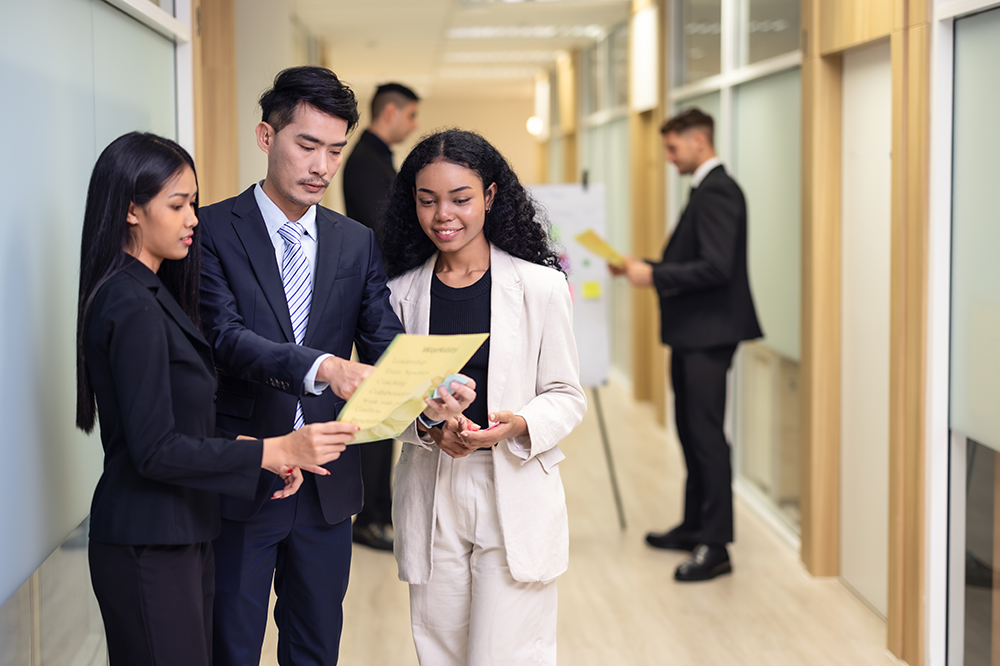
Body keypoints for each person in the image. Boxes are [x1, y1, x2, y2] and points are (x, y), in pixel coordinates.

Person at [198, 67, 474, 665]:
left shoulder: (355, 241)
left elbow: (383, 341)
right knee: (231, 646)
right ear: (266, 137)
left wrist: (434, 392)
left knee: (317, 647)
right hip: (248, 468)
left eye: (334, 150)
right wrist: (326, 367)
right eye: (307, 145)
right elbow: (224, 338)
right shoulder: (212, 230)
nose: (322, 165)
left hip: (329, 485)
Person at [76, 131, 356, 666]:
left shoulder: (152, 295)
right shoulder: (130, 303)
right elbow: (156, 450)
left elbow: (175, 426)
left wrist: (253, 451)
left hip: (177, 533)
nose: (192, 220)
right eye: (177, 205)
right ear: (130, 211)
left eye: (194, 204)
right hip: (148, 541)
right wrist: (276, 452)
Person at [378, 129, 587, 666]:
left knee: (508, 653)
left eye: (461, 198)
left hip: (512, 481)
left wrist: (517, 423)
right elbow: (385, 399)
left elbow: (566, 394)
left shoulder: (540, 286)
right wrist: (429, 427)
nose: (443, 214)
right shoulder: (399, 294)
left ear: (490, 197)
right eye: (428, 201)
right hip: (434, 482)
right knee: (440, 650)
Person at [610, 107, 762, 582]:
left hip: (709, 334)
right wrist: (645, 265)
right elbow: (699, 260)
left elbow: (716, 267)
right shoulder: (707, 190)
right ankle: (695, 524)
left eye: (674, 148)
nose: (669, 158)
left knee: (707, 436)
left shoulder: (719, 192)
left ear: (699, 142)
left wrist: (653, 274)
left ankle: (715, 545)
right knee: (691, 432)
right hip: (695, 332)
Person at [341, 81, 420, 551]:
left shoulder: (378, 158)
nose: (412, 127)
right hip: (378, 298)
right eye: (410, 116)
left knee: (388, 405)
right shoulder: (366, 162)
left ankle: (377, 513)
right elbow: (383, 230)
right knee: (379, 403)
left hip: (385, 294)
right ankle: (369, 516)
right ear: (390, 112)